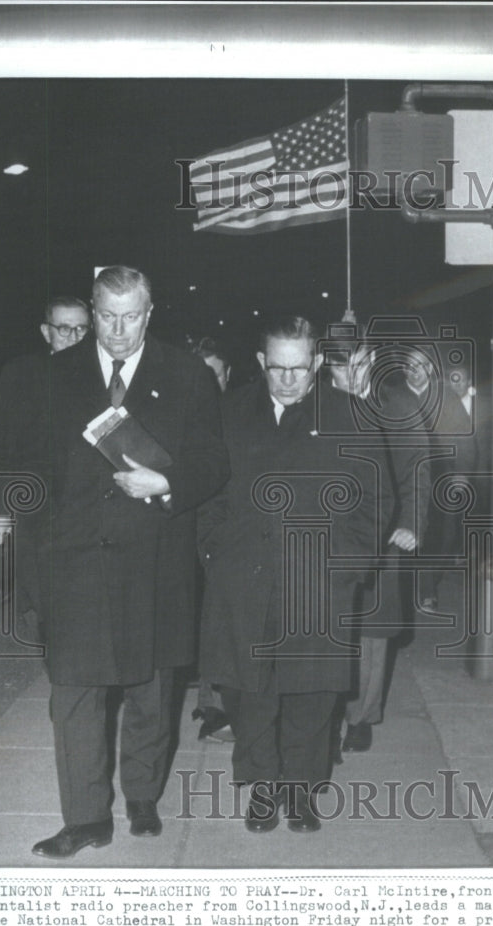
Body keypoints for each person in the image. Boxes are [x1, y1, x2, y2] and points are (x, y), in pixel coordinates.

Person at [0, 266, 228, 859]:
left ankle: (142, 797)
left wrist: (166, 481)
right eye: (108, 316)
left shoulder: (188, 375)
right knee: (74, 696)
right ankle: (86, 817)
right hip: (70, 562)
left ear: (151, 312)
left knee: (151, 690)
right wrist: (4, 513)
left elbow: (215, 464)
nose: (119, 330)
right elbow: (10, 456)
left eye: (132, 316)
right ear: (93, 311)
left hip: (154, 559)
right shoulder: (40, 375)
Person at [197, 317, 380, 834]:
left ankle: (301, 791)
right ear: (261, 363)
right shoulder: (229, 414)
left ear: (317, 364)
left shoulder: (349, 416)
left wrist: (347, 568)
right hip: (244, 579)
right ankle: (262, 788)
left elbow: (373, 502)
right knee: (249, 694)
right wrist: (214, 554)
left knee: (313, 694)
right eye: (277, 368)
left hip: (318, 583)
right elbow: (206, 494)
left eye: (299, 368)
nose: (288, 379)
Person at [327, 339, 428, 753]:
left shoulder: (398, 407)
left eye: (359, 364)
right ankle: (325, 714)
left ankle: (362, 717)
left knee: (372, 630)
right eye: (340, 369)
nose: (352, 376)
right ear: (325, 368)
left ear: (371, 360)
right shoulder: (316, 409)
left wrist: (412, 523)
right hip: (330, 532)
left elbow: (417, 468)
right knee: (327, 628)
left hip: (385, 533)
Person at [0, 295, 92, 620]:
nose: (74, 337)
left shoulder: (108, 375)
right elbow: (0, 445)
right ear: (46, 332)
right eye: (64, 329)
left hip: (88, 507)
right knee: (46, 601)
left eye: (81, 329)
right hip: (36, 505)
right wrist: (0, 510)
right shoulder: (20, 374)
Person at [401, 345, 477, 611]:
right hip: (404, 478)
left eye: (421, 365)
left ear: (430, 370)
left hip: (441, 473)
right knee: (413, 530)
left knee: (443, 534)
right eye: (409, 365)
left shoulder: (447, 398)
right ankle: (424, 590)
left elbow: (465, 436)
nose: (415, 371)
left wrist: (463, 474)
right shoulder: (393, 397)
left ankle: (427, 579)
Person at [187, 336, 234, 741]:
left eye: (213, 374)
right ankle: (207, 698)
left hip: (222, 533)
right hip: (186, 530)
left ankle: (218, 705)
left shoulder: (237, 416)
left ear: (227, 376)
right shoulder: (182, 415)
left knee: (221, 620)